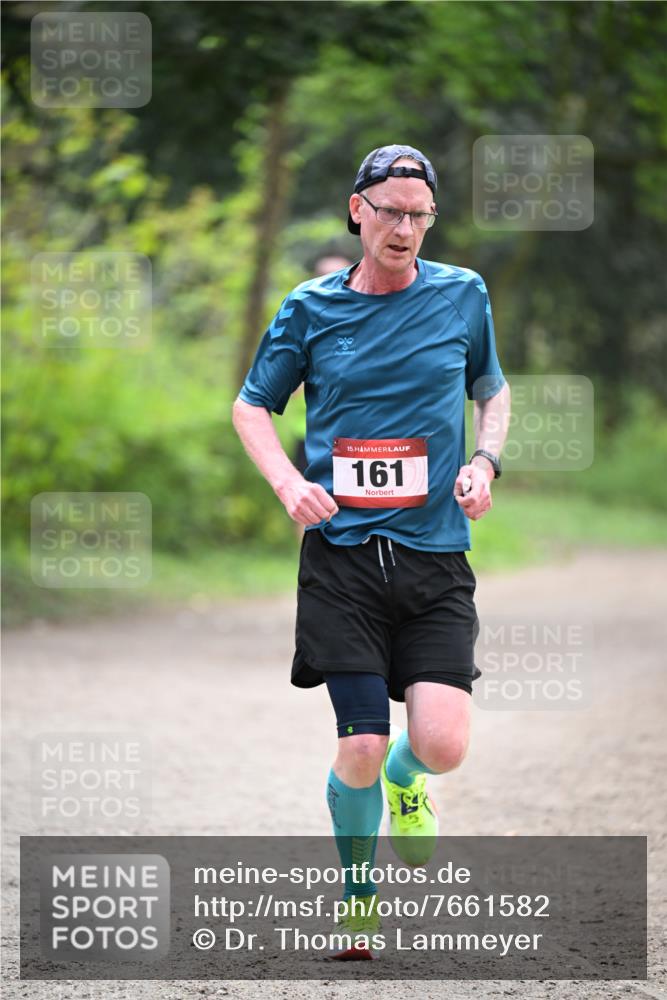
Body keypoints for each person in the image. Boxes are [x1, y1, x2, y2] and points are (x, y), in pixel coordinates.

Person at [232, 144, 511, 959]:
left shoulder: (463, 295)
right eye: (389, 210)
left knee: (440, 746)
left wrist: (483, 462)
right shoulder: (311, 309)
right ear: (357, 210)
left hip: (433, 556)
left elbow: (489, 388)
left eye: (418, 215)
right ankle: (359, 900)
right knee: (354, 738)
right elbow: (253, 409)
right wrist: (290, 486)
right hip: (341, 558)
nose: (404, 227)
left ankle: (405, 781)